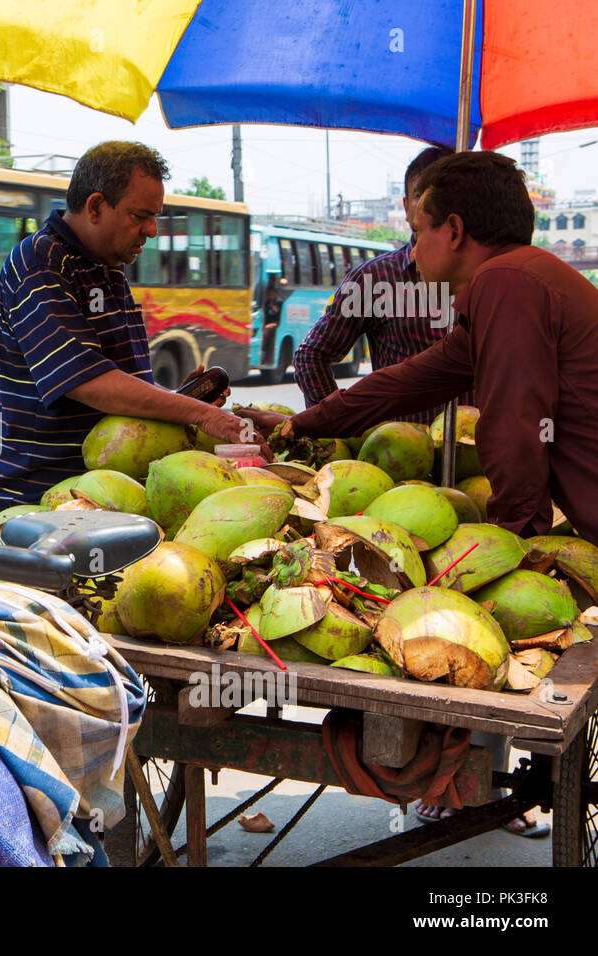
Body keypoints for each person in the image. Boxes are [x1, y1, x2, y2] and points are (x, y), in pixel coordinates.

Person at [244, 150, 598, 838]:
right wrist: (302, 424)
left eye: (418, 232)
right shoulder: (515, 283)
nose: (413, 247)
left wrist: (511, 543)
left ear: (455, 230)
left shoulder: (507, 285)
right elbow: (410, 382)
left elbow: (512, 423)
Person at [0, 141, 267, 529]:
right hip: (36, 502)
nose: (152, 230)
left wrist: (177, 400)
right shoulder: (39, 262)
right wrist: (202, 414)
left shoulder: (106, 266)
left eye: (155, 217)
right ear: (95, 206)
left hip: (102, 495)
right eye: (140, 216)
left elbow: (119, 388)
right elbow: (87, 381)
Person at [293, 145, 460, 423]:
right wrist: (337, 428)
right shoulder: (374, 280)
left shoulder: (488, 279)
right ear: (408, 209)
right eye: (424, 195)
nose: (435, 208)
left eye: (446, 195)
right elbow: (311, 355)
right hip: (398, 457)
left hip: (477, 457)